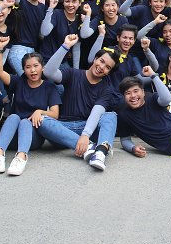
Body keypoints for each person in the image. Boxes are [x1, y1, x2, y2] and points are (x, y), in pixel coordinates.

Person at [39, 34, 119, 171]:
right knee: (42, 121)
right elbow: (48, 72)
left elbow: (97, 112)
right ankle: (88, 148)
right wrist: (65, 46)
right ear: (95, 59)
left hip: (87, 126)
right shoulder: (73, 73)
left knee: (110, 116)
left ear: (108, 73)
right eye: (101, 61)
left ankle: (100, 153)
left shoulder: (107, 88)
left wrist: (85, 135)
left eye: (107, 67)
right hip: (64, 128)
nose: (101, 67)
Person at [0, 36, 61, 176]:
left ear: (43, 67)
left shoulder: (49, 87)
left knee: (24, 121)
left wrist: (40, 112)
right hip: (12, 136)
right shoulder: (18, 82)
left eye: (36, 66)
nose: (33, 70)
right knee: (14, 117)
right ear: (23, 69)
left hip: (33, 137)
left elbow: (55, 114)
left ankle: (21, 157)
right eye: (28, 67)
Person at [7, 0, 48, 75]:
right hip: (18, 49)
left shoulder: (43, 8)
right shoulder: (20, 2)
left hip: (34, 52)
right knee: (28, 79)